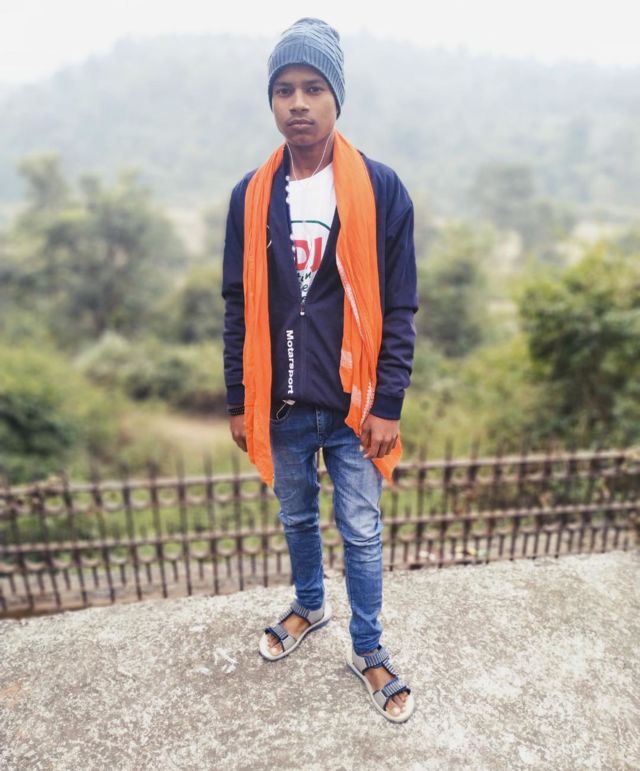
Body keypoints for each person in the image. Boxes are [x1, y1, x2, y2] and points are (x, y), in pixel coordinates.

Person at [221, 17, 418, 723]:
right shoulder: (251, 195)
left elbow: (400, 305)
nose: (298, 103)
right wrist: (238, 401)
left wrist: (388, 402)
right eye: (284, 90)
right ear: (271, 102)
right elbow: (238, 307)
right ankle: (309, 605)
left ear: (337, 98)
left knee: (361, 529)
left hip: (353, 405)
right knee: (296, 514)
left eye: (313, 88)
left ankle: (368, 647)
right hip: (280, 402)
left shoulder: (381, 189)